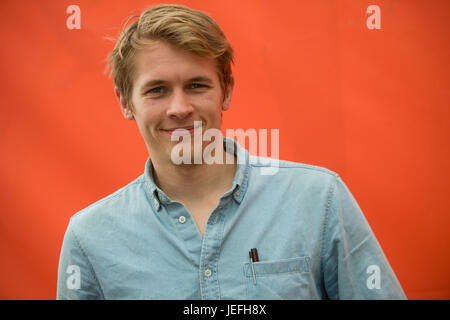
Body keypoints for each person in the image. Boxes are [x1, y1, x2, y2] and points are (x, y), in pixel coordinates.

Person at [57, 4, 406, 300]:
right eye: (157, 90)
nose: (179, 108)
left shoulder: (318, 200)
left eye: (196, 85)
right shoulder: (89, 238)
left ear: (226, 91)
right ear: (125, 101)